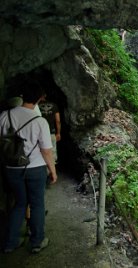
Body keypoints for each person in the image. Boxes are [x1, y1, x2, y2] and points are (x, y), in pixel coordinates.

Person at [0, 86, 57, 253]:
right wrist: (52, 171)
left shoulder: (4, 115)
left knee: (19, 204)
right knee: (37, 204)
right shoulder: (40, 121)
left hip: (11, 167)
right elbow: (46, 151)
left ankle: (11, 243)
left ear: (22, 96)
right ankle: (37, 242)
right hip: (35, 168)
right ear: (40, 99)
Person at [39, 95, 61, 164]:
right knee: (52, 152)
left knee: (41, 152)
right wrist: (58, 133)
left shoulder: (36, 106)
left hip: (40, 133)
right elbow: (58, 120)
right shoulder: (54, 105)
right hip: (51, 132)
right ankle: (52, 171)